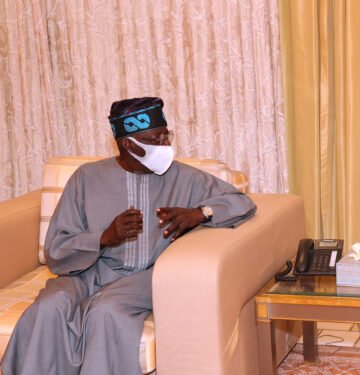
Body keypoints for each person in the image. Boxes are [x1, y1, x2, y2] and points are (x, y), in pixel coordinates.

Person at [1, 97, 256, 375]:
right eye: (154, 140)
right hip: (88, 272)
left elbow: (241, 202)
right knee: (50, 306)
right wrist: (103, 238)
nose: (165, 146)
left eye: (165, 135)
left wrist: (201, 212)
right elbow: (57, 249)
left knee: (105, 311)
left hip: (146, 276)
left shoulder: (185, 178)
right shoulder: (87, 178)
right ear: (129, 145)